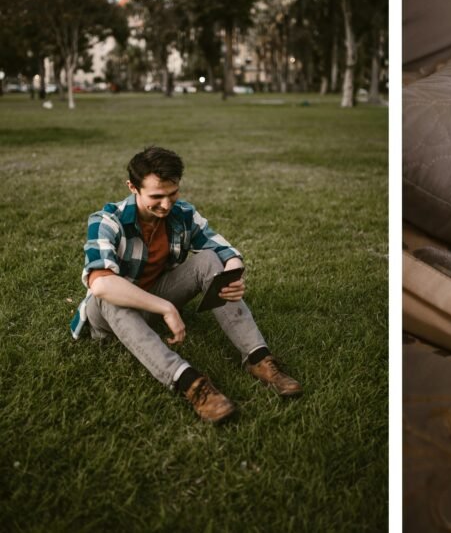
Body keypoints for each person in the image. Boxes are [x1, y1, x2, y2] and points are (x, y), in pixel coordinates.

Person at [70, 147, 302, 424]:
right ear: (133, 187)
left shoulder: (182, 214)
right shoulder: (106, 220)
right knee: (109, 295)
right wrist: (165, 307)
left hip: (153, 298)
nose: (166, 205)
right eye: (156, 196)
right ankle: (190, 383)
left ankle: (259, 359)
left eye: (173, 193)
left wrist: (234, 274)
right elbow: (102, 286)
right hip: (109, 315)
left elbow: (225, 251)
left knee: (208, 259)